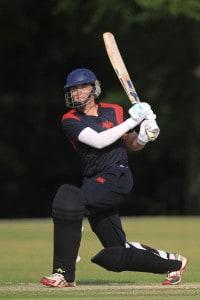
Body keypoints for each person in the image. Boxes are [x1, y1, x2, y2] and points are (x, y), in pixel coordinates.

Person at [40, 68, 187, 288]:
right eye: (72, 89)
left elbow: (131, 143)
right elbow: (99, 141)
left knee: (68, 200)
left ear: (94, 88)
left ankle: (63, 274)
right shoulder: (69, 120)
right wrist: (134, 120)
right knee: (115, 254)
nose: (77, 93)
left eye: (81, 87)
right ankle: (173, 263)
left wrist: (145, 135)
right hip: (95, 182)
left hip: (116, 176)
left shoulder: (114, 110)